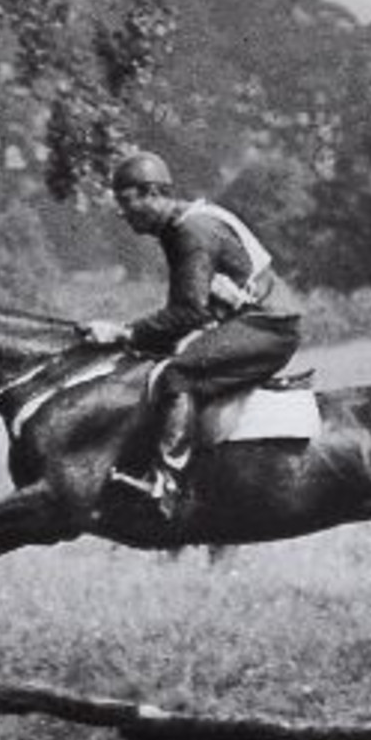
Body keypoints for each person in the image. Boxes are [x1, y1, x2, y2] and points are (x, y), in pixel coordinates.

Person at [80, 150, 302, 516]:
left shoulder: (191, 231)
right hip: (260, 320)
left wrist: (123, 332)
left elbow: (187, 312)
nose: (121, 212)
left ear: (153, 193)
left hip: (268, 325)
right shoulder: (183, 225)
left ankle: (166, 483)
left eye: (126, 201)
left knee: (176, 374)